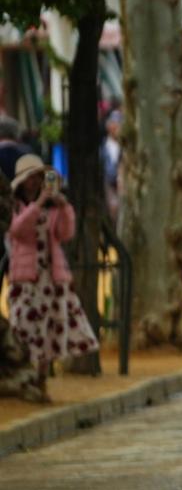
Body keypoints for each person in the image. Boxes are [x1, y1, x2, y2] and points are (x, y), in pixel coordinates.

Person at [6, 156, 98, 384]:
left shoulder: (52, 207)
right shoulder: (15, 206)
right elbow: (18, 230)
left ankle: (42, 375)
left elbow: (66, 233)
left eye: (39, 177)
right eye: (31, 177)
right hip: (26, 278)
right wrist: (37, 205)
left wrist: (63, 206)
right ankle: (25, 371)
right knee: (24, 326)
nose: (34, 182)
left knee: (49, 326)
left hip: (50, 277)